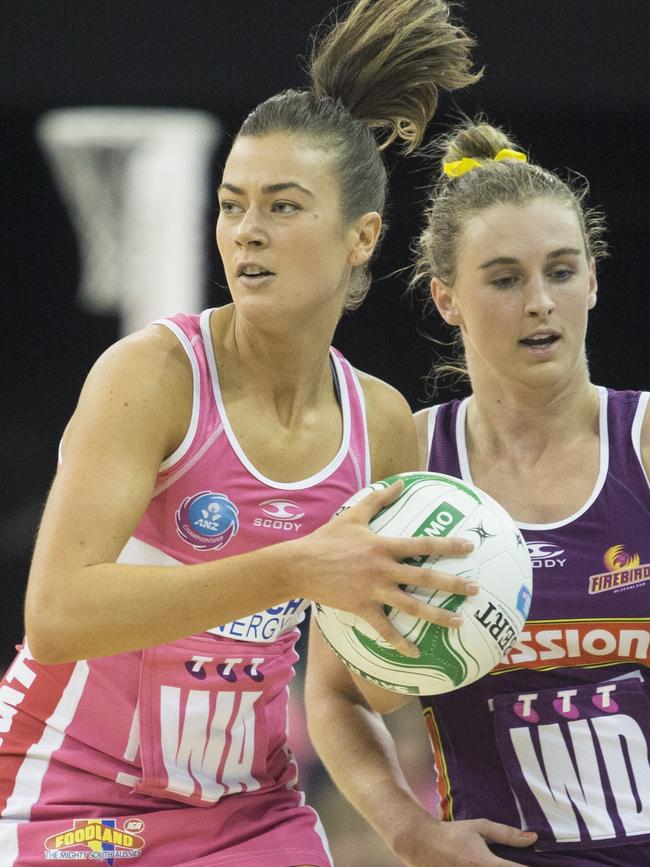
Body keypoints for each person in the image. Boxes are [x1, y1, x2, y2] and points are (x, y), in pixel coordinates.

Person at [0, 2, 481, 865]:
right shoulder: (153, 375)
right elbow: (57, 615)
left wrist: (451, 623)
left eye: (283, 206)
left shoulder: (379, 423)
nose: (247, 231)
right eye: (233, 205)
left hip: (250, 811)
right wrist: (297, 566)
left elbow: (356, 682)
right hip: (70, 785)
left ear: (360, 238)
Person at [305, 118, 650, 866]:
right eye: (503, 278)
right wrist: (407, 827)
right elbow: (336, 693)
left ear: (593, 277)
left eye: (561, 271)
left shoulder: (645, 443)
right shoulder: (407, 466)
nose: (539, 301)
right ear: (446, 298)